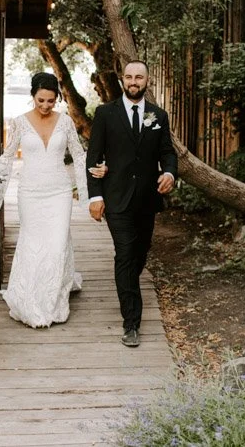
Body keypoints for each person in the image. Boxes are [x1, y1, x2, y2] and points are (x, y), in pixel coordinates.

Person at [86, 60, 177, 347]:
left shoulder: (158, 115)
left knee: (140, 253)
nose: (133, 81)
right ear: (122, 80)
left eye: (139, 77)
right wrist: (95, 196)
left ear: (146, 81)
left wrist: (170, 173)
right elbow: (93, 158)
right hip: (116, 199)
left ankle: (128, 284)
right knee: (125, 255)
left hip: (147, 200)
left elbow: (167, 151)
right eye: (129, 77)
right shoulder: (105, 114)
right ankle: (132, 323)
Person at [0, 72, 91, 327]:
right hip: (30, 192)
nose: (46, 106)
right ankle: (30, 299)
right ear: (32, 96)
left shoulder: (65, 122)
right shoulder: (19, 123)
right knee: (33, 245)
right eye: (41, 100)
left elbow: (78, 155)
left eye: (51, 101)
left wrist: (90, 189)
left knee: (56, 245)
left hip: (59, 192)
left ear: (57, 98)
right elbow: (8, 156)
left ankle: (52, 302)